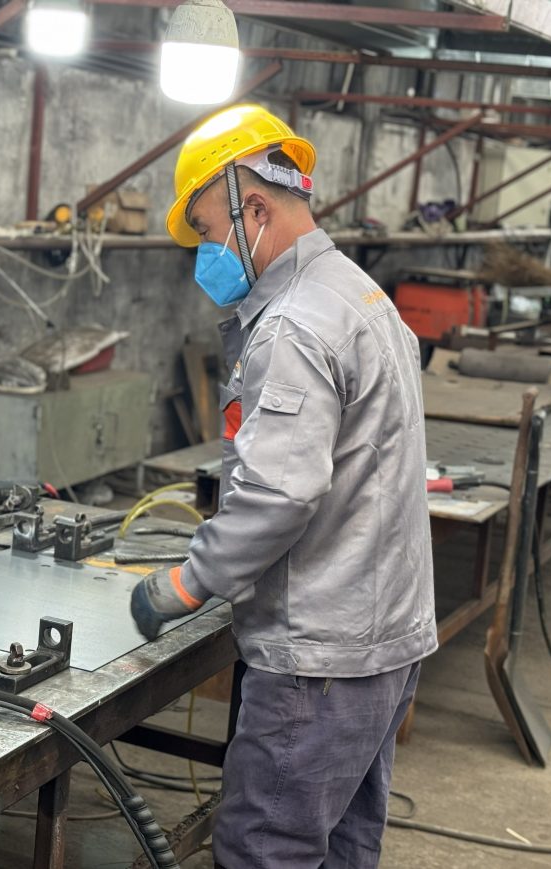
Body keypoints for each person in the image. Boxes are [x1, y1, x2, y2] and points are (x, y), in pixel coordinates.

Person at [130, 104, 437, 868]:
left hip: (320, 658)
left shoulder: (295, 324)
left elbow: (280, 494)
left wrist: (187, 582)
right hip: (384, 638)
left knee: (264, 847)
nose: (206, 255)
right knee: (341, 847)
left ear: (255, 209)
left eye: (208, 231)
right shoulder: (360, 294)